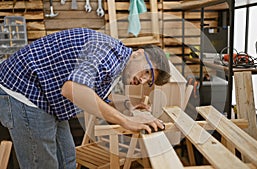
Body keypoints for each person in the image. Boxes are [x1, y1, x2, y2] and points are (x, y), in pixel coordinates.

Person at [0, 28, 170, 169]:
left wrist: (129, 110)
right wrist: (125, 121)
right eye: (147, 71)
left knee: (67, 160)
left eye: (149, 81)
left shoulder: (118, 63)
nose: (143, 80)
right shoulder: (107, 54)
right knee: (44, 165)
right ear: (138, 54)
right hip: (23, 90)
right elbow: (73, 89)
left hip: (46, 97)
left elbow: (97, 94)